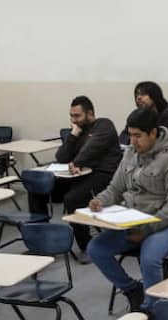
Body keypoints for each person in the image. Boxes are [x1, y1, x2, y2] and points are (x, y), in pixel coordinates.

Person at [88, 107, 168, 320]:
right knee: (96, 248)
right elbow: (115, 188)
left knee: (150, 254)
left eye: (138, 136)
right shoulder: (130, 154)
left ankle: (151, 311)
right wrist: (100, 201)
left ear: (153, 133)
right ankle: (132, 290)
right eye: (130, 135)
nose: (132, 142)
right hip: (135, 223)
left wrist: (146, 230)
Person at [34, 96, 121, 262]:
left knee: (72, 199)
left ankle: (86, 246)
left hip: (103, 176)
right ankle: (41, 238)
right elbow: (61, 157)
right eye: (71, 116)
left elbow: (91, 147)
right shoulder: (78, 130)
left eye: (77, 116)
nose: (74, 120)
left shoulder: (104, 125)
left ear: (90, 113)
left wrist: (77, 161)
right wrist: (73, 135)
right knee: (38, 190)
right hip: (80, 176)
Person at [119, 81, 168, 159]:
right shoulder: (138, 115)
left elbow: (162, 139)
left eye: (143, 94)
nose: (138, 97)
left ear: (154, 96)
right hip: (148, 156)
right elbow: (124, 135)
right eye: (137, 94)